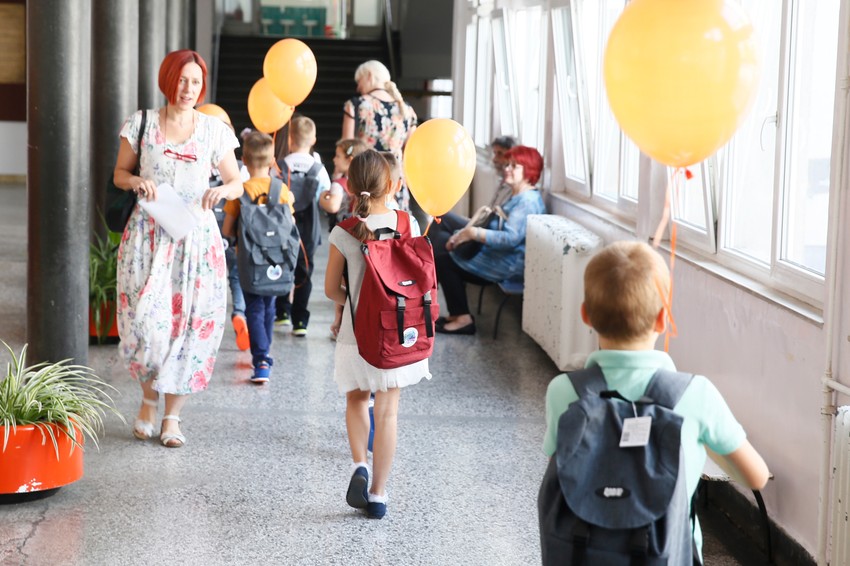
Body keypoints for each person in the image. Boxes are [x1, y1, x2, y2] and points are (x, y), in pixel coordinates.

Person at [542, 240, 770, 560]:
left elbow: (563, 464)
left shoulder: (564, 391)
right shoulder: (695, 395)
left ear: (586, 315)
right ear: (663, 319)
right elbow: (756, 476)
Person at [113, 49, 243, 448]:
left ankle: (172, 416)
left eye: (196, 82)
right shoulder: (142, 123)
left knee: (191, 324)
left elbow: (237, 181)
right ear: (169, 80)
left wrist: (222, 189)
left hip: (196, 240)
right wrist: (137, 183)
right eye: (183, 80)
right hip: (148, 237)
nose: (189, 89)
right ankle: (148, 398)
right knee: (148, 322)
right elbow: (120, 174)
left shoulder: (214, 130)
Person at [324, 150, 431, 519]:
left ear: (350, 187)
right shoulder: (408, 223)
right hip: (398, 333)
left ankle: (359, 464)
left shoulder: (343, 231)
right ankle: (380, 494)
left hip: (357, 335)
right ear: (392, 185)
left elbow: (330, 290)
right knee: (388, 412)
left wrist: (355, 302)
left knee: (356, 399)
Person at [434, 145, 546, 335]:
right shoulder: (518, 195)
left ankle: (462, 318)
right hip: (495, 254)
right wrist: (465, 233)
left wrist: (471, 234)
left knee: (443, 259)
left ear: (529, 170)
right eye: (508, 164)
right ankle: (445, 304)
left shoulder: (527, 202)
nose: (507, 169)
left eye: (514, 166)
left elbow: (510, 239)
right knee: (441, 229)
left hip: (505, 264)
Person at [222, 131, 294, 383]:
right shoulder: (282, 189)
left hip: (249, 261)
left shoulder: (240, 192)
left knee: (253, 305)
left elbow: (227, 229)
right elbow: (290, 223)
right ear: (273, 159)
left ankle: (261, 357)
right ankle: (265, 352)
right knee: (270, 305)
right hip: (276, 260)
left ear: (243, 160)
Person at [274, 115, 332, 336]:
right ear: (313, 139)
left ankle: (282, 313)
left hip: (282, 227)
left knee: (281, 266)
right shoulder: (318, 169)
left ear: (290, 140)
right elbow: (325, 197)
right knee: (304, 273)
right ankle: (300, 320)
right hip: (308, 230)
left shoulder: (280, 166)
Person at [429, 135, 517, 256]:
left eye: (500, 154)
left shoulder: (515, 190)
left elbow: (504, 233)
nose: (494, 159)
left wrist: (472, 232)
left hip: (486, 234)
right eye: (495, 153)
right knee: (440, 220)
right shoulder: (503, 183)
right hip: (482, 226)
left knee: (442, 232)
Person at [341, 60, 417, 157]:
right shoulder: (407, 110)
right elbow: (410, 151)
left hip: (364, 170)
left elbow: (346, 148)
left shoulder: (355, 105)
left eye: (359, 81)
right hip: (395, 171)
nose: (358, 88)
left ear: (369, 76)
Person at [319, 138, 369, 232]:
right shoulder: (366, 182)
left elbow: (332, 206)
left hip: (342, 231)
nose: (334, 159)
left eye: (338, 156)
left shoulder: (339, 185)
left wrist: (321, 198)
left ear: (349, 160)